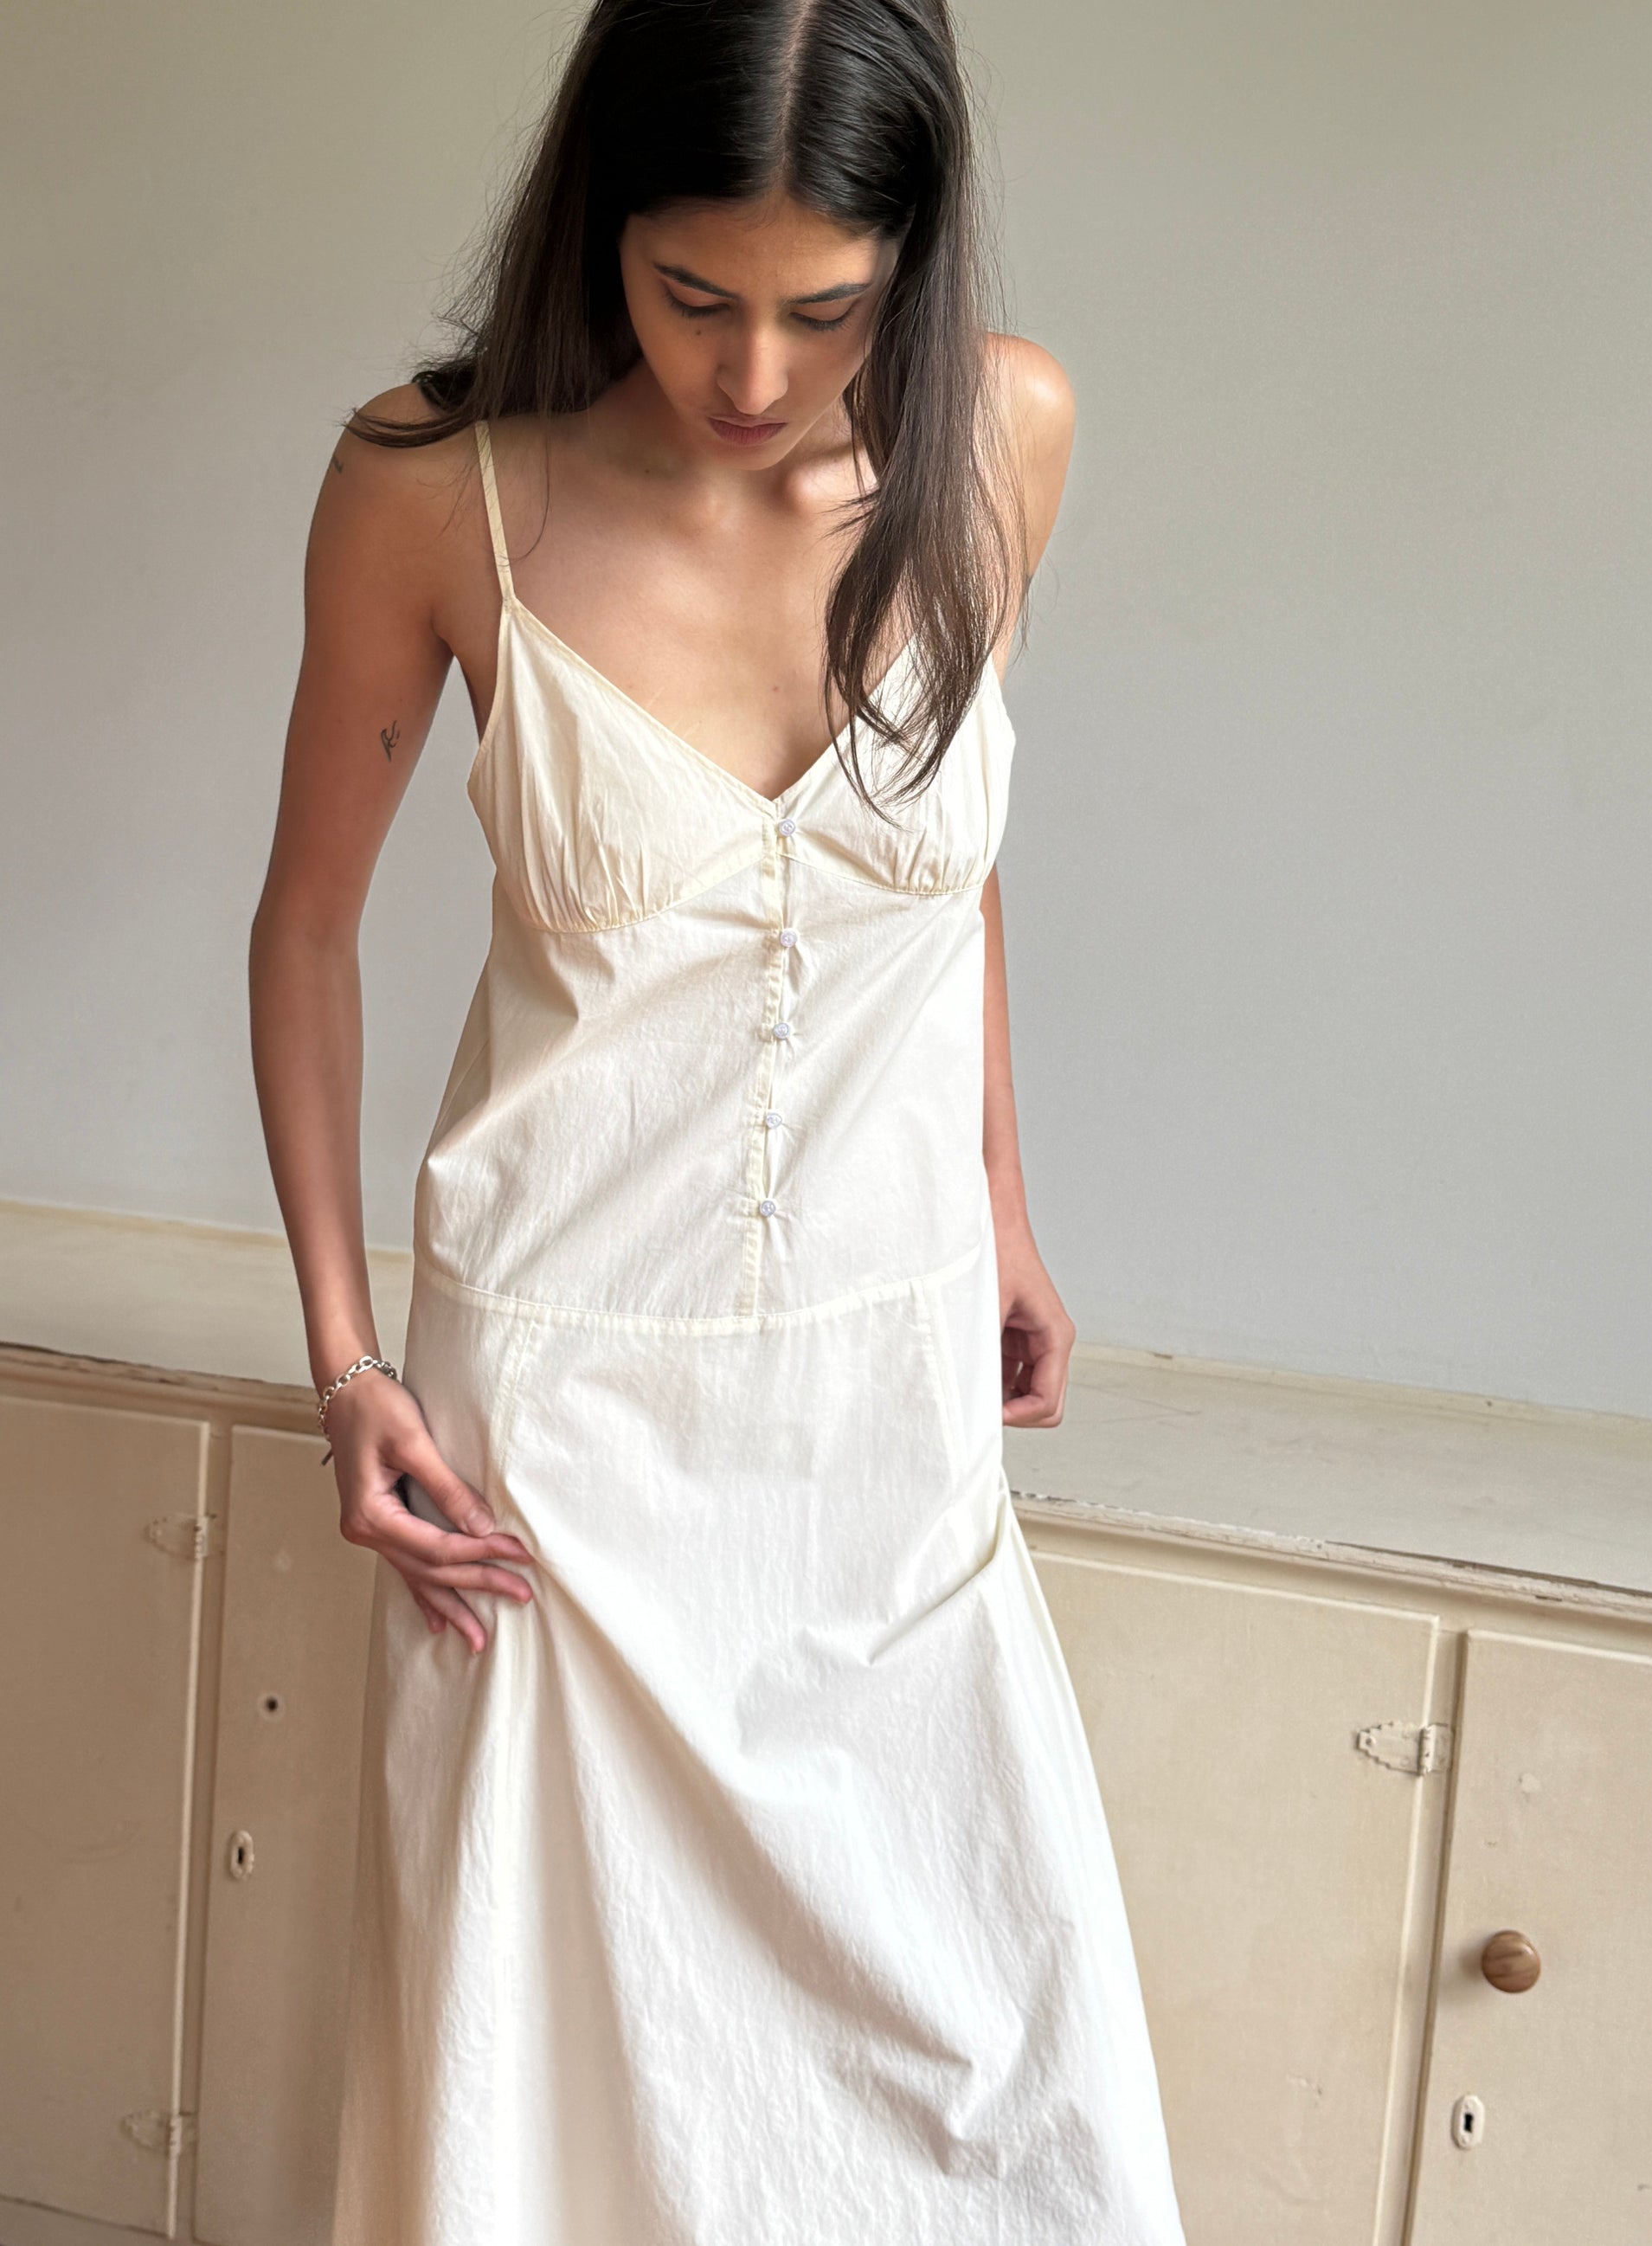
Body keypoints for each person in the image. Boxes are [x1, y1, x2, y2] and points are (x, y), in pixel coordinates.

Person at [249, 2, 1187, 2239]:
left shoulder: (1005, 444)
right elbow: (302, 936)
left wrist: (1003, 1201)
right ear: (605, 231)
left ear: (914, 260)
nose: (751, 373)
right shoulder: (428, 485)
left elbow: (933, 861)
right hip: (551, 1428)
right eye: (692, 297)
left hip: (882, 1389)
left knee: (971, 2066)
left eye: (823, 312)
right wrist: (347, 1358)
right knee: (539, 2078)